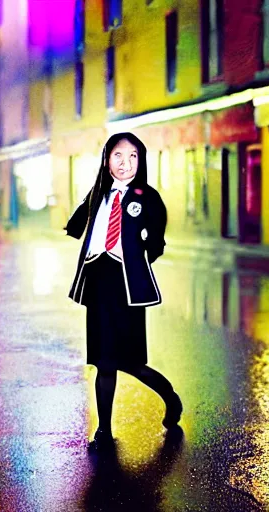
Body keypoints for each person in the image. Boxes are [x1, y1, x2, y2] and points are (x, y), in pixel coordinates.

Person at [65, 132, 183, 448]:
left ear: (140, 161)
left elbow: (156, 244)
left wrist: (135, 254)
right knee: (104, 361)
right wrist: (92, 200)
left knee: (130, 362)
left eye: (133, 156)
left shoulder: (147, 197)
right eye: (118, 155)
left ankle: (170, 398)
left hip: (128, 285)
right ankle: (104, 429)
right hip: (98, 282)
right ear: (107, 160)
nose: (125, 163)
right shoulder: (99, 194)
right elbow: (76, 226)